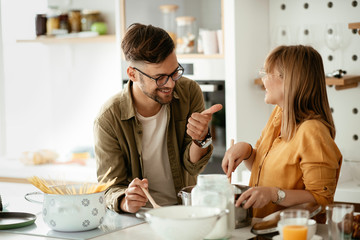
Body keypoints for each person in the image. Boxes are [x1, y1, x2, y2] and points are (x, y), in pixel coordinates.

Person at [94, 23, 222, 213]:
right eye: (160, 77)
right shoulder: (108, 119)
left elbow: (193, 168)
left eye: (174, 72)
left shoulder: (188, 91)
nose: (170, 84)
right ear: (133, 74)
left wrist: (200, 138)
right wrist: (125, 201)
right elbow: (109, 189)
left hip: (183, 211)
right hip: (137, 219)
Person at [221, 45, 342, 222]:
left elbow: (321, 200)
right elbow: (263, 168)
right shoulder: (278, 115)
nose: (262, 79)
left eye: (267, 72)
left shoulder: (313, 131)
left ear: (289, 80)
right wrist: (246, 151)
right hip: (264, 228)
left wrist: (274, 194)